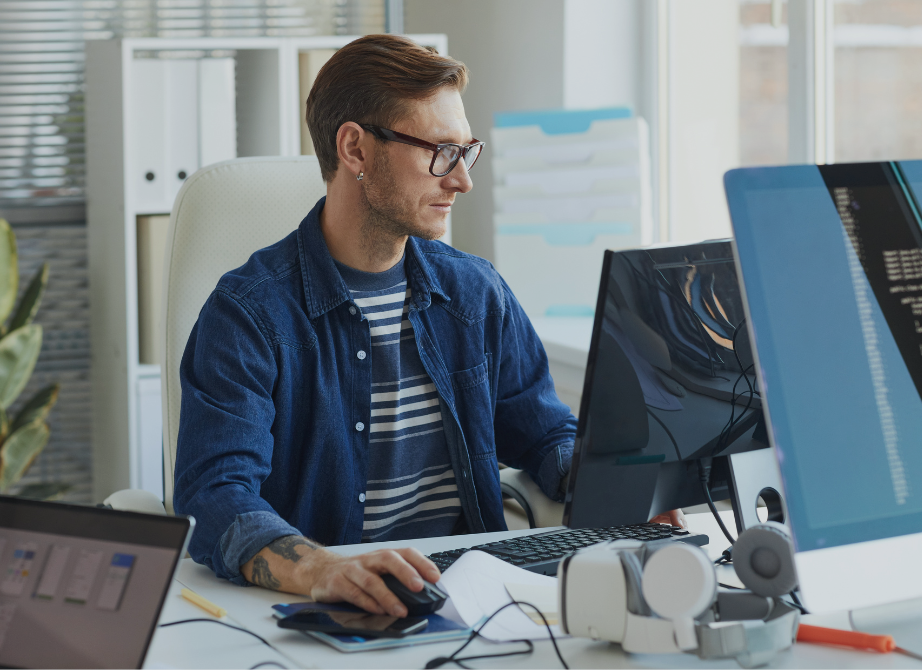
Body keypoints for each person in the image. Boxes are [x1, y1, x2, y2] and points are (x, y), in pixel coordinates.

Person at [173, 34, 680, 619]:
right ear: (356, 149)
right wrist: (321, 567)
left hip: (477, 599)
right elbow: (216, 497)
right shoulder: (250, 315)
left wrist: (617, 487)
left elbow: (542, 434)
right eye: (441, 152)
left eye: (468, 152)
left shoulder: (474, 293)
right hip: (326, 610)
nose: (461, 180)